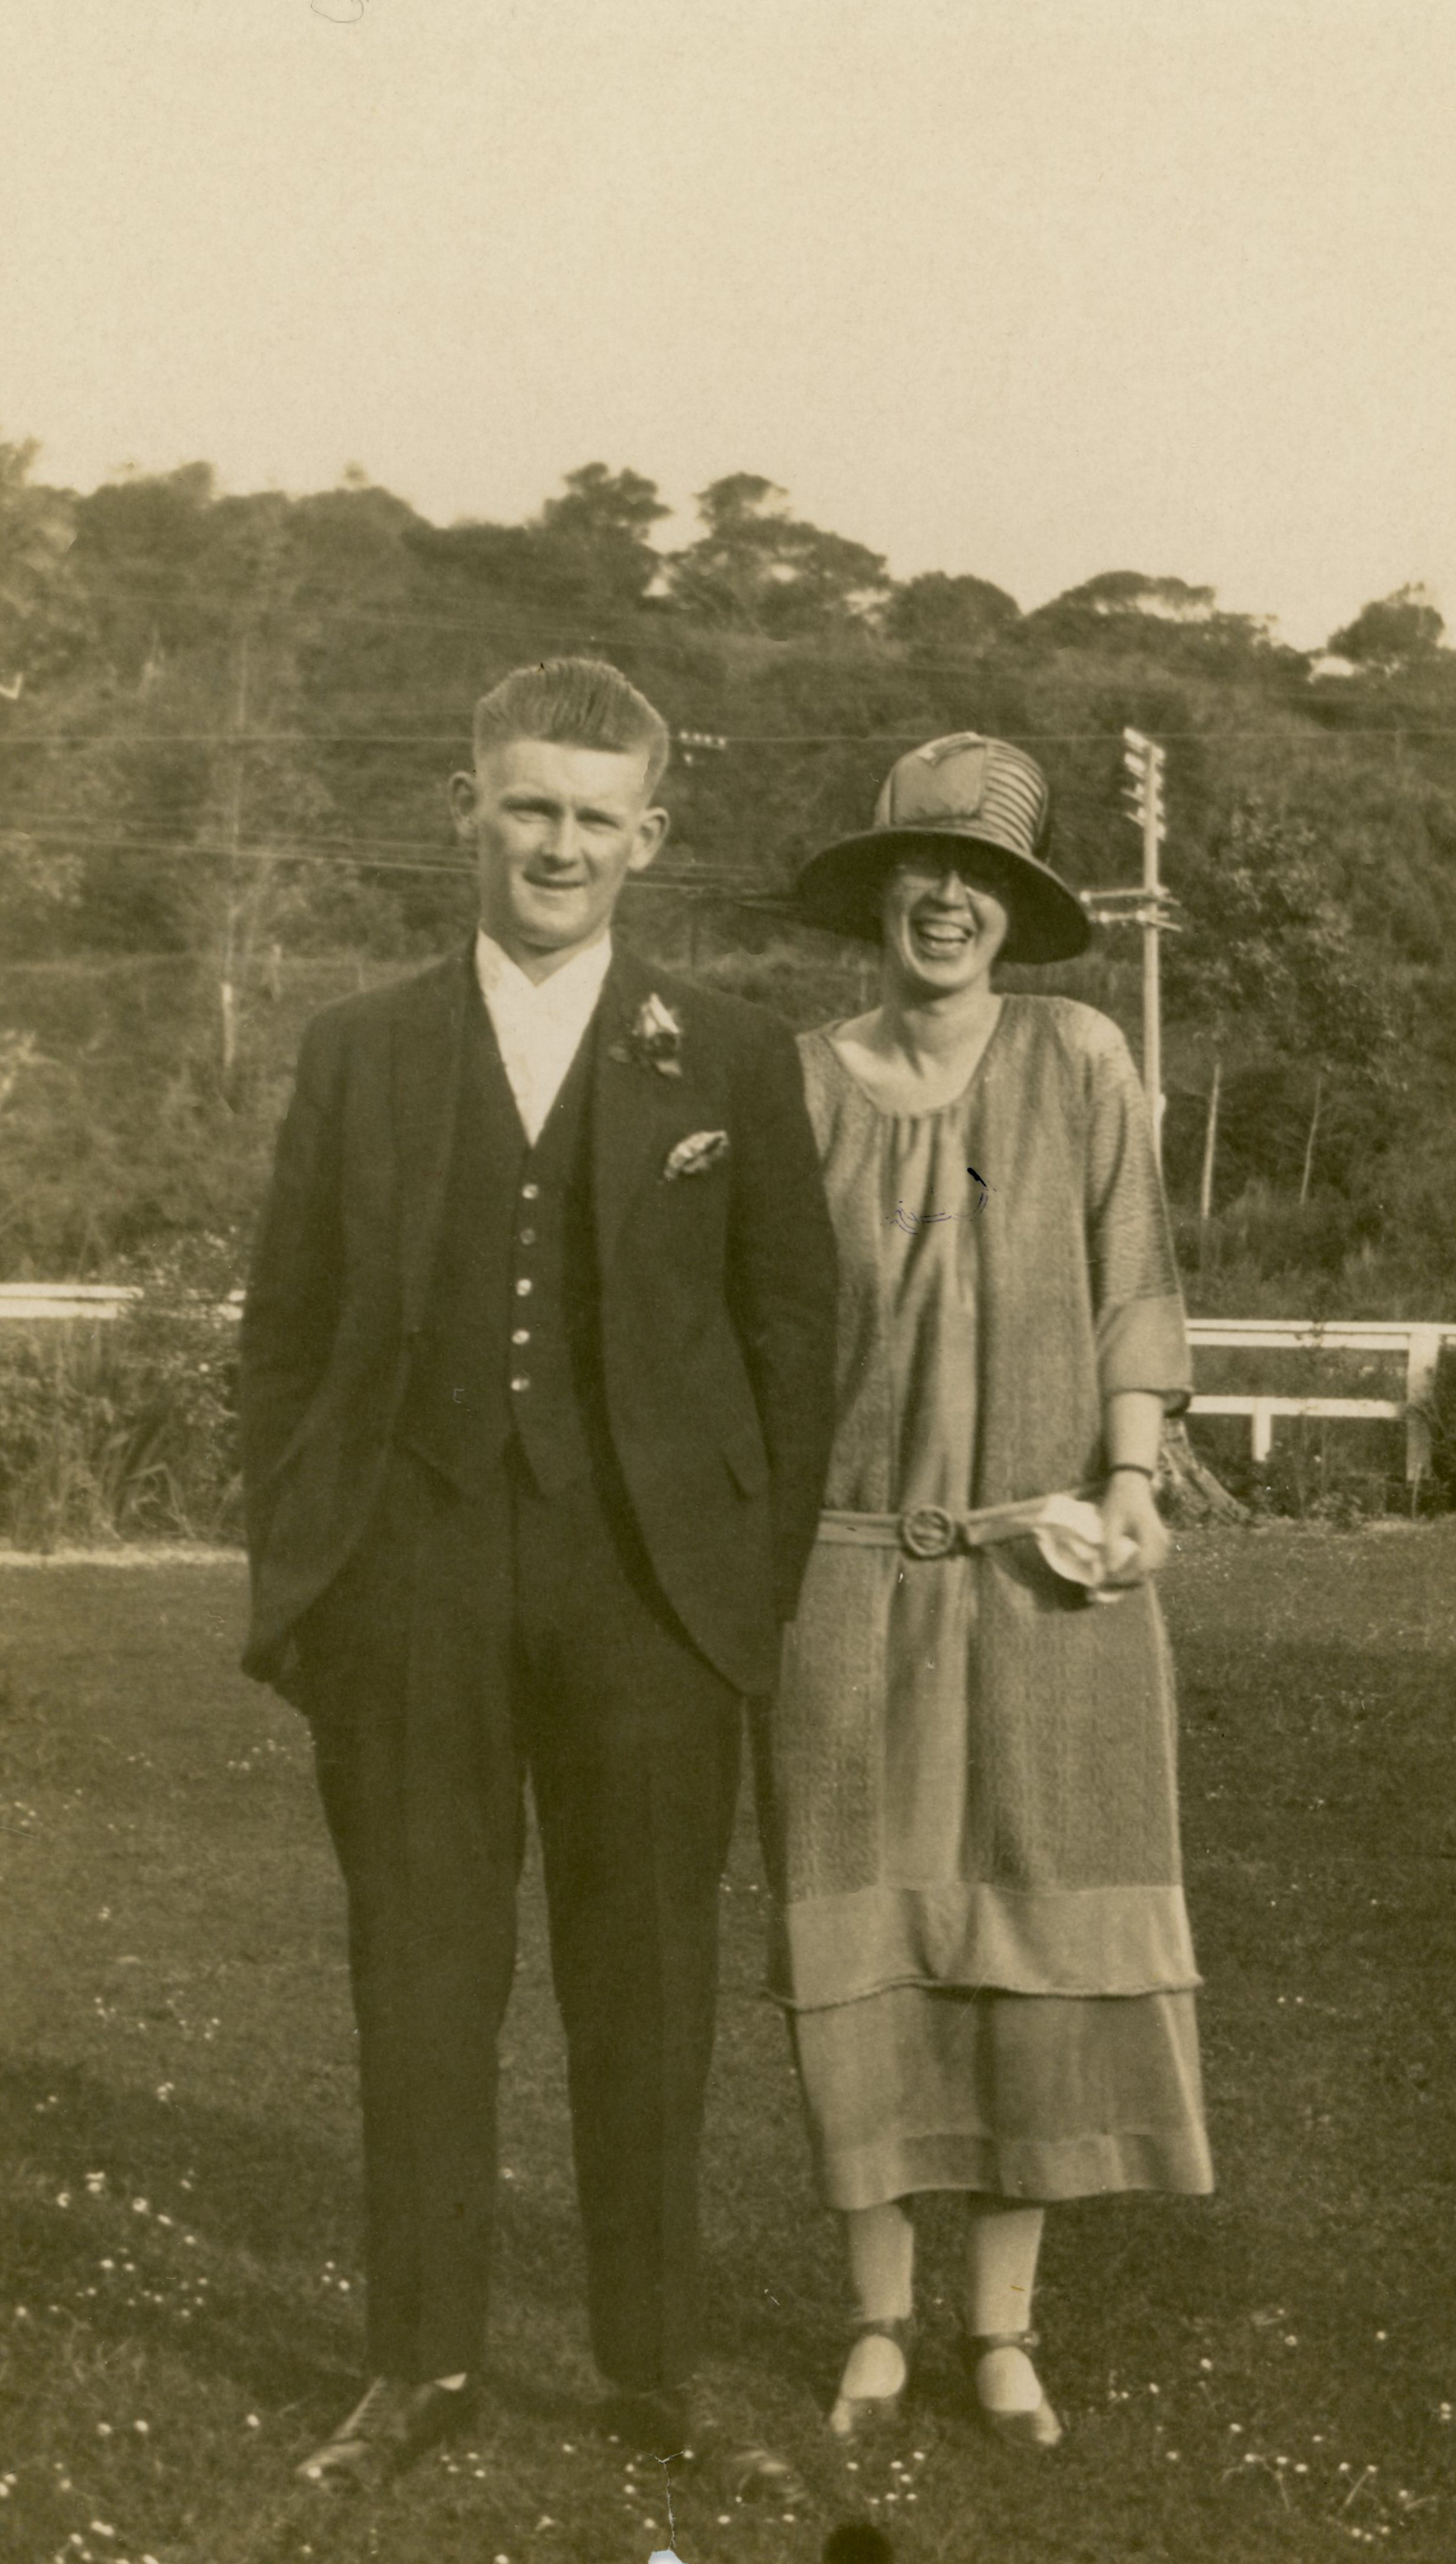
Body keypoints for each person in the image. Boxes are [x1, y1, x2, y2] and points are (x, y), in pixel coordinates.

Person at [239, 658, 837, 2496]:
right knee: (419, 1973)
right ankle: (415, 2362)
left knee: (644, 1979)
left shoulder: (728, 1049)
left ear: (646, 835)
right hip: (408, 1578)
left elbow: (791, 1335)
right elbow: (284, 1332)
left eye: (594, 814)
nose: (557, 842)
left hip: (646, 1591)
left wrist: (733, 1584)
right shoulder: (360, 1045)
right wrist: (315, 1563)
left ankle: (649, 2366)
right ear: (466, 806)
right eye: (527, 804)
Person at [757, 731, 1213, 2450]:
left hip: (1043, 1573)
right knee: (858, 1939)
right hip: (847, 1574)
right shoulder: (791, 1078)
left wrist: (1122, 1478)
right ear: (879, 888)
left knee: (1029, 1935)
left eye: (984, 877)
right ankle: (877, 2316)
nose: (946, 896)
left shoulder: (1079, 1054)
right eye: (920, 865)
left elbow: (1129, 1279)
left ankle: (1002, 2325)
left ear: (1015, 911)